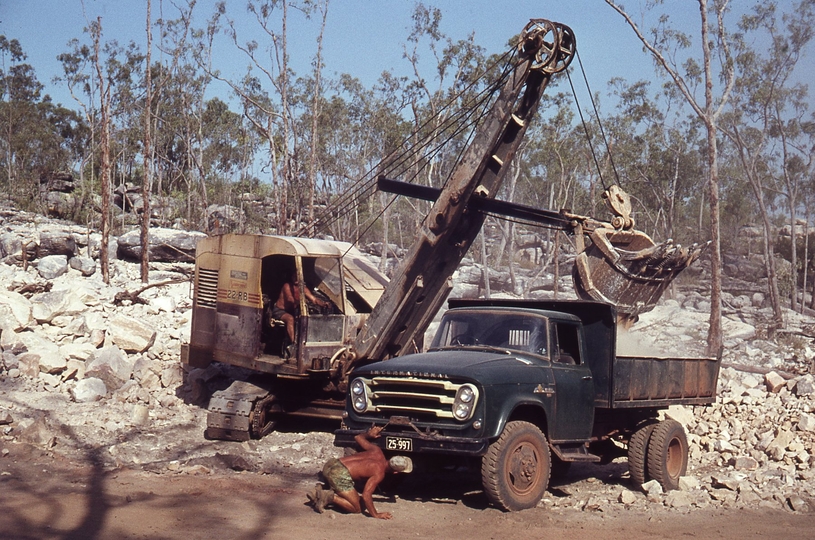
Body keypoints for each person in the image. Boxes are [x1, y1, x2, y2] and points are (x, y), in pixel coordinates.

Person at [308, 425, 413, 519]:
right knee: (356, 508)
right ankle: (328, 496)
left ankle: (319, 491)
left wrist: (369, 434)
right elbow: (366, 496)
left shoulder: (377, 451)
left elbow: (358, 437)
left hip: (330, 464)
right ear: (396, 472)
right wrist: (376, 514)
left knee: (354, 496)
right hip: (338, 473)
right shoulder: (379, 473)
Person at [271, 270, 329, 344]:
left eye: (298, 276)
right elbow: (290, 299)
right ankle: (294, 343)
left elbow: (314, 299)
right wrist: (303, 301)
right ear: (292, 277)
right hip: (280, 311)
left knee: (305, 319)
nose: (296, 279)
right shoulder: (287, 286)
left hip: (293, 311)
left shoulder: (303, 288)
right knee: (290, 319)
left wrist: (323, 304)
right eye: (294, 277)